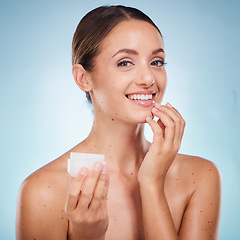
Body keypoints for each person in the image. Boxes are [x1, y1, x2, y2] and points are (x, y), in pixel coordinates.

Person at [16, 5, 221, 240]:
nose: (148, 79)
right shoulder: (43, 191)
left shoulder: (200, 177)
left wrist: (152, 184)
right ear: (83, 78)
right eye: (125, 62)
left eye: (157, 62)